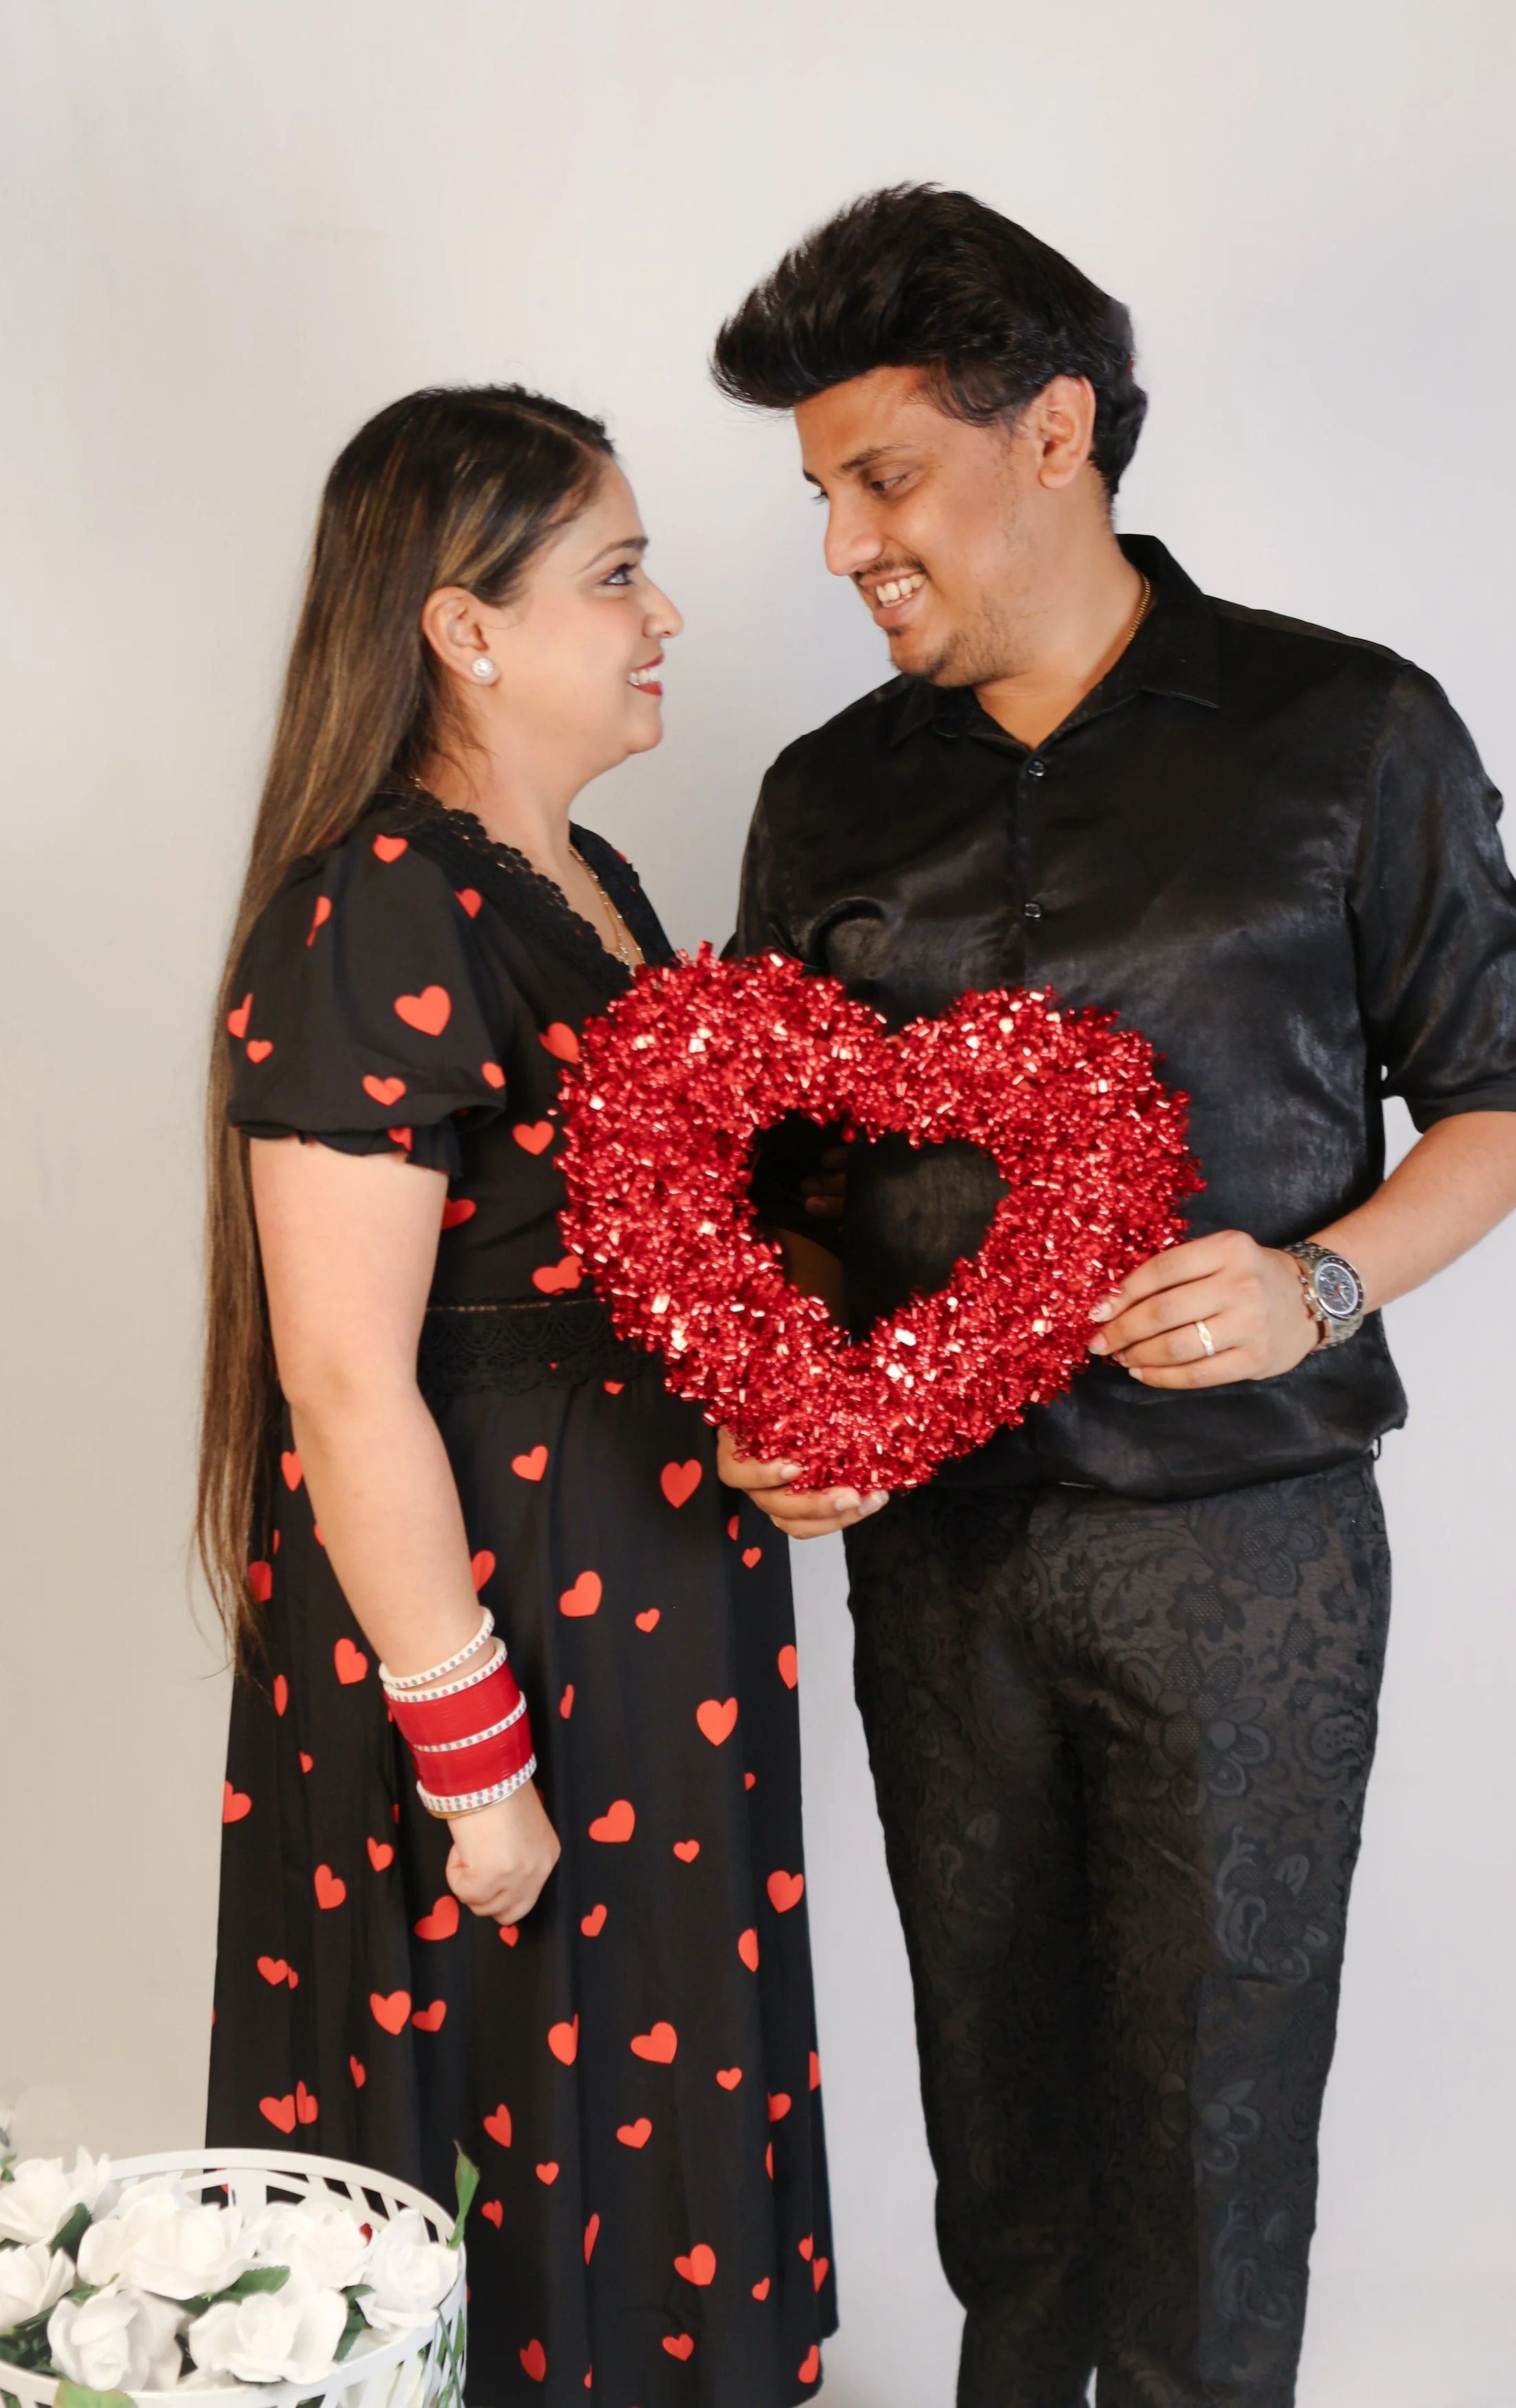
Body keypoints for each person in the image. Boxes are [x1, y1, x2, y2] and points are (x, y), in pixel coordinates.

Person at [712, 188, 1516, 2408]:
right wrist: (776, 1377)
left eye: (883, 477)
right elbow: (788, 1180)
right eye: (821, 495)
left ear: (1056, 428)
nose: (844, 546)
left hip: (1243, 1556)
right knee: (1001, 2147)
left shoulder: (1346, 729)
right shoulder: (824, 796)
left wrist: (1317, 1281)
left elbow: (1501, 1103)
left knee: (1210, 2147)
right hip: (939, 1563)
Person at [198, 386, 835, 2408]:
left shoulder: (590, 876)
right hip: (502, 1633)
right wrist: (473, 1759)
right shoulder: (382, 898)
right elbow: (340, 1371)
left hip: (653, 1610)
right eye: (617, 574)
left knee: (653, 2126)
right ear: (463, 629)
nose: (666, 616)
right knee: (520, 2145)